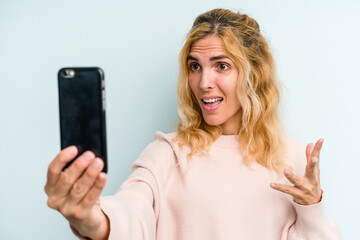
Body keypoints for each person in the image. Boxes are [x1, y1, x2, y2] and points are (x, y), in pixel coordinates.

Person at [45, 8, 342, 240]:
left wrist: (312, 208)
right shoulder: (168, 153)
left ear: (254, 74)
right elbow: (132, 211)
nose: (203, 83)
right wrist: (91, 218)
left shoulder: (291, 160)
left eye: (221, 66)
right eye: (195, 67)